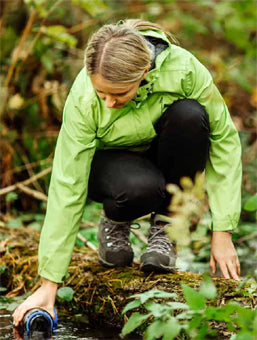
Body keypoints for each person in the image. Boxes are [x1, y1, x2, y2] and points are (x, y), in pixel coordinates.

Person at [13, 19, 242, 326]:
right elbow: (67, 183)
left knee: (191, 116)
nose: (107, 102)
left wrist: (223, 231)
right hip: (109, 169)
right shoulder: (84, 99)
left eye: (117, 94)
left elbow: (224, 140)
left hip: (160, 157)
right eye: (101, 92)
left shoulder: (184, 71)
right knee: (140, 187)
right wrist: (48, 284)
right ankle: (116, 221)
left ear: (144, 72)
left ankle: (166, 227)